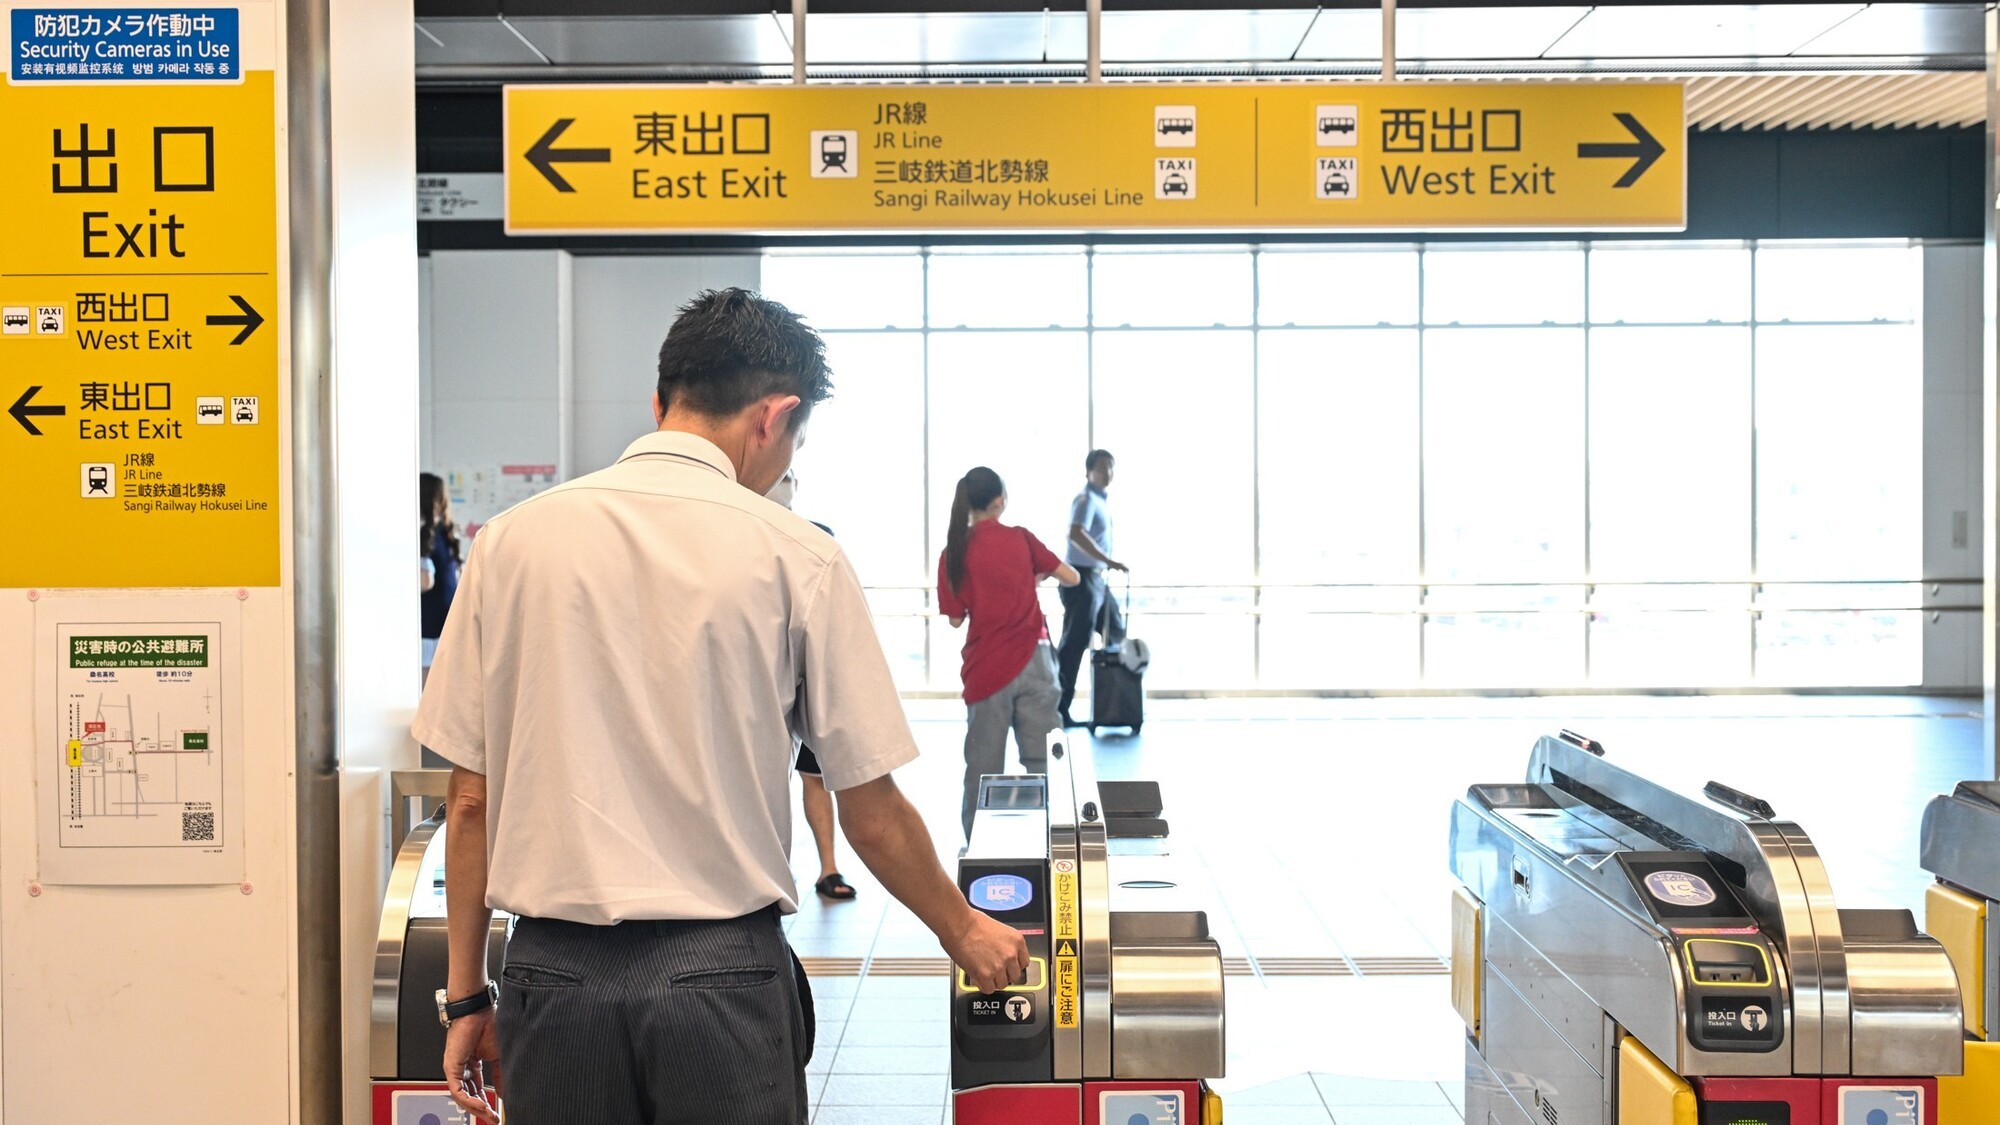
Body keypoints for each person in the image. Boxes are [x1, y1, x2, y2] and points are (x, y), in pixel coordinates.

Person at [413, 288, 1028, 1125]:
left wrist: (466, 997)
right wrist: (963, 929)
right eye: (796, 440)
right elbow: (871, 808)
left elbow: (469, 798)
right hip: (721, 978)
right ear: (774, 416)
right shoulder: (799, 555)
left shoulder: (510, 544)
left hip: (551, 977)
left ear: (660, 402)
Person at [937, 467, 1079, 837]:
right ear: (999, 501)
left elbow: (955, 619)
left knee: (983, 767)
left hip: (986, 669)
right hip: (1035, 661)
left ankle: (978, 848)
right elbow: (1072, 576)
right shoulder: (1021, 539)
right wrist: (1036, 576)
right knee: (1045, 763)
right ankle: (1057, 843)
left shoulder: (954, 552)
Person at [765, 467, 856, 903]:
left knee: (814, 776)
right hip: (767, 684)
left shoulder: (816, 538)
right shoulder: (751, 536)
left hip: (808, 681)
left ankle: (828, 867)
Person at [1054, 449, 1128, 728]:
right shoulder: (1086, 499)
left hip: (1095, 578)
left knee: (1115, 632)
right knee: (1075, 643)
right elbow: (1075, 533)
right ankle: (1059, 710)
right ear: (1088, 472)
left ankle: (1113, 704)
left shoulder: (1100, 500)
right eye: (1101, 467)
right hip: (1081, 578)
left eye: (1111, 467)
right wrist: (1108, 560)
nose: (1107, 472)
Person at [420, 471, 461, 673]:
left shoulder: (424, 534)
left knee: (426, 687)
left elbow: (425, 582)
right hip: (448, 622)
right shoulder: (446, 532)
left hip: (429, 627)